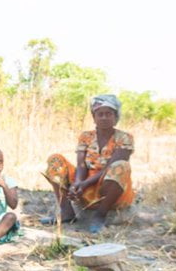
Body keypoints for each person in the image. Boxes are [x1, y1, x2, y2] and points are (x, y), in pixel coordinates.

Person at [42, 94, 135, 234]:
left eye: (108, 114)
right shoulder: (86, 136)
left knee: (121, 166)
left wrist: (84, 184)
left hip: (109, 185)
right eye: (100, 114)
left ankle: (100, 215)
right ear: (94, 117)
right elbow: (81, 165)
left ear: (116, 117)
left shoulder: (125, 138)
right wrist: (77, 183)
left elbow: (110, 166)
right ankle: (66, 211)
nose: (104, 117)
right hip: (86, 183)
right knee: (55, 160)